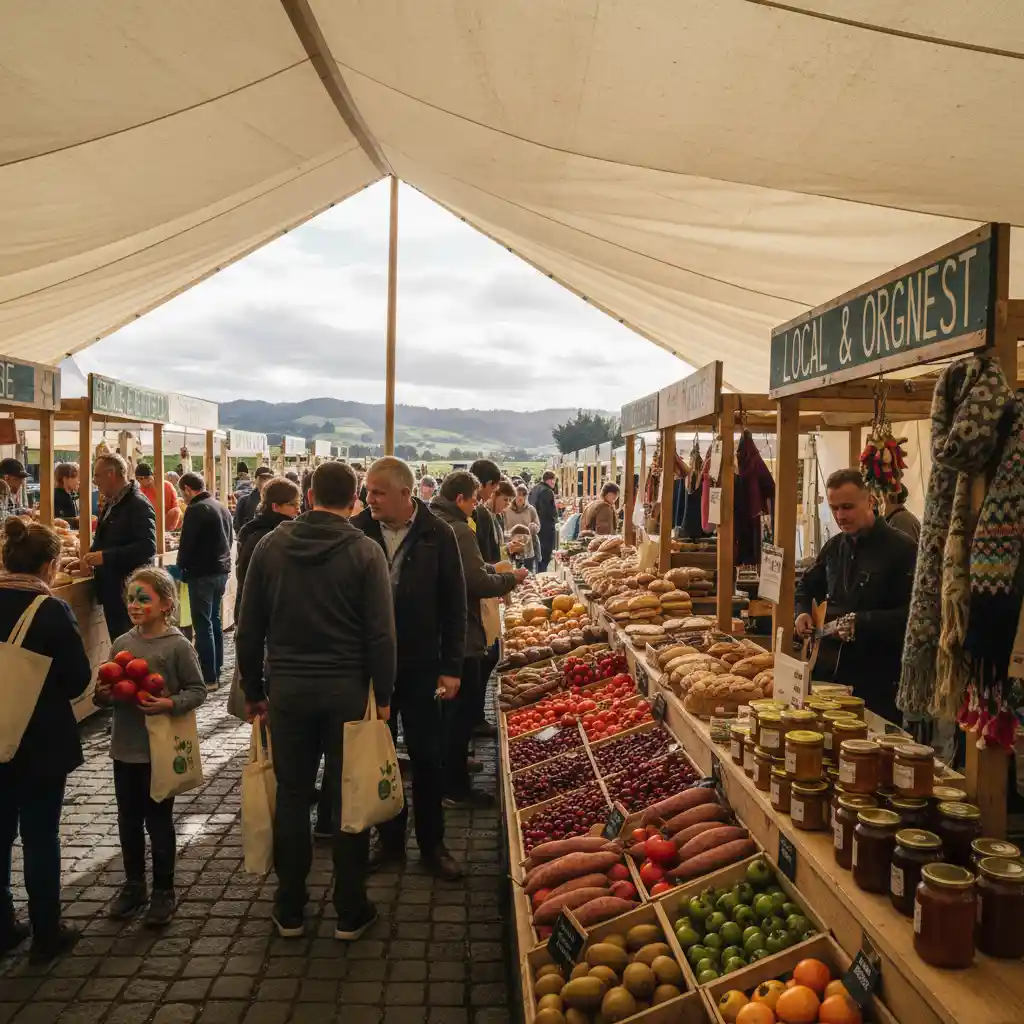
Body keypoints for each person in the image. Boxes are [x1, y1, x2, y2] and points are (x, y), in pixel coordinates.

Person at [237, 461, 396, 941]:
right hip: (346, 689)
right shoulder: (366, 551)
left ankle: (289, 908)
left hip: (286, 688)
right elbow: (381, 634)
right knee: (351, 793)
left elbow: (249, 625)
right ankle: (349, 909)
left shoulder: (270, 545)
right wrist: (384, 697)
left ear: (307, 497)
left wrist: (253, 691)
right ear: (354, 501)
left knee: (290, 795)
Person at [353, 457, 466, 880]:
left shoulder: (438, 534)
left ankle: (433, 844)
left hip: (423, 668)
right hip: (372, 669)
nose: (370, 498)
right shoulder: (358, 530)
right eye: (368, 490)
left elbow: (456, 607)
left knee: (427, 756)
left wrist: (451, 666)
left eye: (379, 492)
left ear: (407, 492)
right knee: (380, 756)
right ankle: (389, 839)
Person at [92, 567, 206, 927]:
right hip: (125, 748)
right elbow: (107, 693)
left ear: (166, 603)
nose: (134, 605)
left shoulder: (177, 646)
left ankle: (164, 890)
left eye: (144, 598)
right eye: (130, 599)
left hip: (160, 750)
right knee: (127, 819)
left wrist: (169, 704)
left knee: (158, 820)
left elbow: (197, 690)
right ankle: (133, 885)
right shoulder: (122, 643)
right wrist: (103, 696)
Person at [0, 520, 92, 963]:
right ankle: (45, 931)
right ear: (50, 564)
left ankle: (2, 926)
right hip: (39, 742)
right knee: (40, 836)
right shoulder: (50, 609)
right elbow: (77, 679)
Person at [431, 472, 525, 806]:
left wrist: (489, 569)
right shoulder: (458, 529)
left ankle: (449, 769)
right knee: (458, 711)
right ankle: (454, 787)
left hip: (437, 631)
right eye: (474, 499)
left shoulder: (435, 520)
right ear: (461, 499)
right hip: (459, 631)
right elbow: (473, 582)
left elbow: (467, 571)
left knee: (447, 713)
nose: (477, 506)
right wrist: (508, 578)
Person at [794, 469, 917, 724]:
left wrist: (864, 622)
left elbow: (916, 615)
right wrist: (803, 612)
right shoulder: (834, 546)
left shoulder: (903, 549)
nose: (840, 516)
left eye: (847, 507)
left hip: (879, 680)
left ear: (871, 500)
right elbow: (806, 586)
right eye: (834, 508)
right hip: (829, 676)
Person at [226, 476, 302, 723]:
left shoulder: (254, 532)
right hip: (268, 623)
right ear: (276, 506)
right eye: (293, 504)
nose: (298, 510)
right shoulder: (270, 538)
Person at [83, 454, 156, 642]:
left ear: (111, 474)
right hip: (114, 590)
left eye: (97, 475)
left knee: (132, 647)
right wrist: (89, 557)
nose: (94, 480)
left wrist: (105, 557)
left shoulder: (138, 504)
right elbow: (106, 539)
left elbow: (147, 547)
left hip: (129, 592)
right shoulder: (112, 503)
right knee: (121, 645)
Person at [177, 473, 233, 689]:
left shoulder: (196, 509)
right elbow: (229, 538)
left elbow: (187, 544)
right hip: (220, 571)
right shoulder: (220, 506)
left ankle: (209, 676)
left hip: (202, 573)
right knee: (214, 622)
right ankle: (216, 670)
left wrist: (182, 565)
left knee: (203, 625)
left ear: (188, 489)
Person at [468, 460, 503, 564]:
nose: (493, 492)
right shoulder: (480, 513)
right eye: (494, 487)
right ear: (487, 483)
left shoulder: (459, 508)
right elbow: (487, 552)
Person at [133, 464, 183, 532]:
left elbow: (175, 507)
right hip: (150, 528)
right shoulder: (140, 491)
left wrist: (170, 521)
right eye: (137, 478)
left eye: (141, 478)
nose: (138, 481)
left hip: (169, 528)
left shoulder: (167, 486)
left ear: (150, 477)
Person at [505, 485, 541, 571]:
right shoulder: (507, 510)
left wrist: (534, 527)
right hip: (512, 548)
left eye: (524, 494)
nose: (521, 497)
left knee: (528, 573)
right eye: (519, 494)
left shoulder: (531, 510)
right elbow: (504, 527)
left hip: (527, 548)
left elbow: (538, 526)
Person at [529, 470, 559, 572]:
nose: (554, 483)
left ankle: (538, 573)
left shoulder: (535, 488)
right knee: (544, 554)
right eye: (554, 481)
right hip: (545, 527)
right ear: (550, 480)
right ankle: (541, 574)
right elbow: (548, 511)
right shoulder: (547, 491)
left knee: (537, 553)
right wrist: (555, 517)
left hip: (535, 525)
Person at [233, 465, 273, 532]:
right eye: (263, 479)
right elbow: (237, 525)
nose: (266, 481)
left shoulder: (278, 500)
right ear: (256, 480)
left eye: (270, 479)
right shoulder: (244, 501)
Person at [53, 463, 80, 528]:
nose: (77, 481)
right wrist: (75, 520)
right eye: (74, 477)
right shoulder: (58, 497)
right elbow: (57, 520)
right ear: (65, 479)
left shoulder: (67, 494)